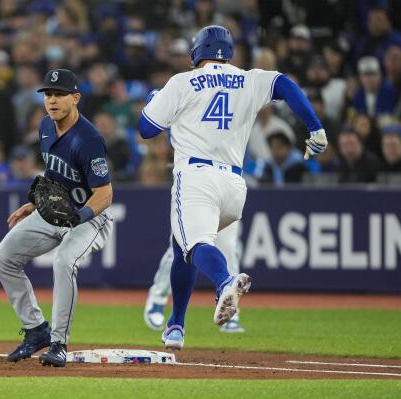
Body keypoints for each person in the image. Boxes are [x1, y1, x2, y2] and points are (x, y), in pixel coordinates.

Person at [138, 25, 327, 350]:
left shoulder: (182, 81)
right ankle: (176, 326)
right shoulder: (249, 78)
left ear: (196, 52)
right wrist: (315, 127)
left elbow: (145, 129)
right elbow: (286, 84)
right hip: (234, 185)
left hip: (196, 177)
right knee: (184, 248)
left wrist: (153, 99)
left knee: (194, 246)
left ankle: (225, 281)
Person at [0, 69, 114, 367]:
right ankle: (36, 331)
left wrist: (80, 216)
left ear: (75, 97)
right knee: (2, 257)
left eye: (59, 94)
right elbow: (54, 175)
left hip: (90, 219)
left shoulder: (89, 139)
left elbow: (105, 193)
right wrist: (33, 203)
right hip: (53, 214)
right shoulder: (45, 127)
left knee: (64, 262)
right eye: (48, 94)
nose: (52, 100)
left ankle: (59, 342)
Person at [143, 222, 244, 334]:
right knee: (180, 248)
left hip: (226, 204)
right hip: (192, 204)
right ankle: (158, 297)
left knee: (228, 248)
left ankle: (230, 312)